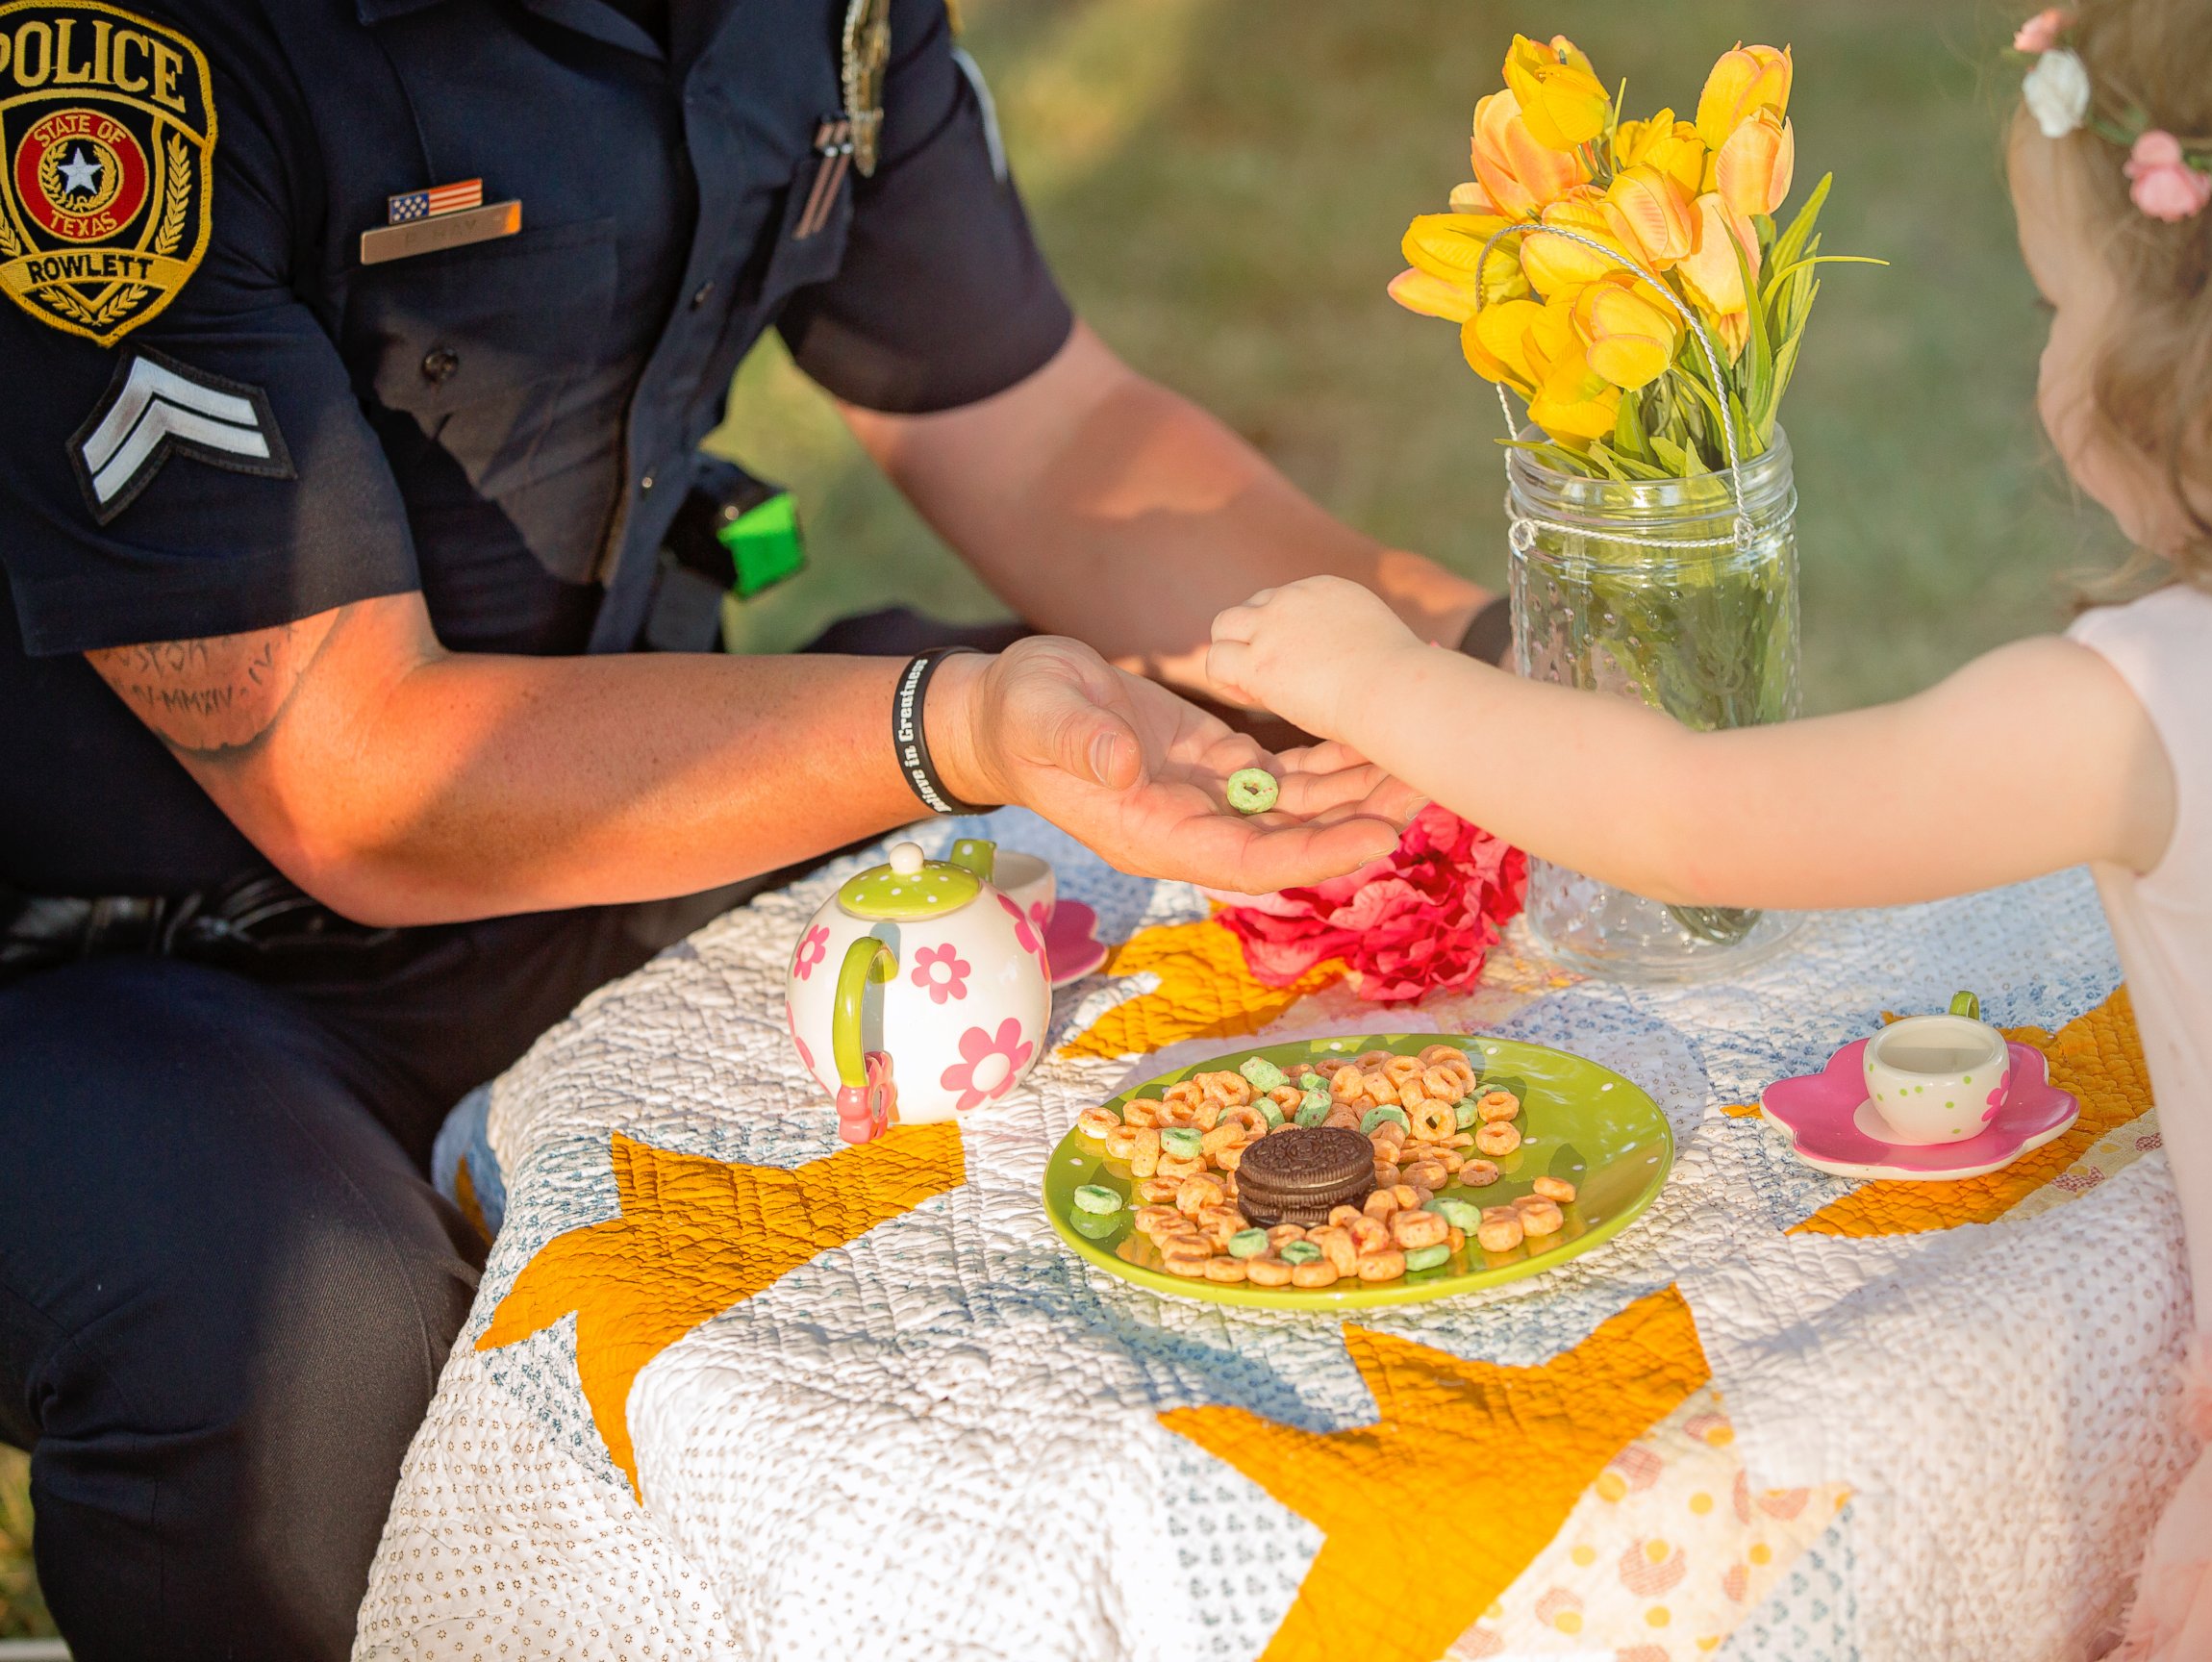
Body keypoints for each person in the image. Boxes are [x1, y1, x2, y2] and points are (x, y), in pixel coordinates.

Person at [0, 0, 1498, 1654]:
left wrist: (1475, 663)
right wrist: (958, 726)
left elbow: (1036, 426)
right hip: (111, 970)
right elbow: (357, 780)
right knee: (295, 1337)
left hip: (602, 831)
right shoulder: (121, 62)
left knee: (1143, 962)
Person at [1209, 2, 2212, 1655]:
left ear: (2204, 362)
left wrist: (1377, 678)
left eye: (2060, 302)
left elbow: (1690, 817)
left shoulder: (2138, 712)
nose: (2047, 356)